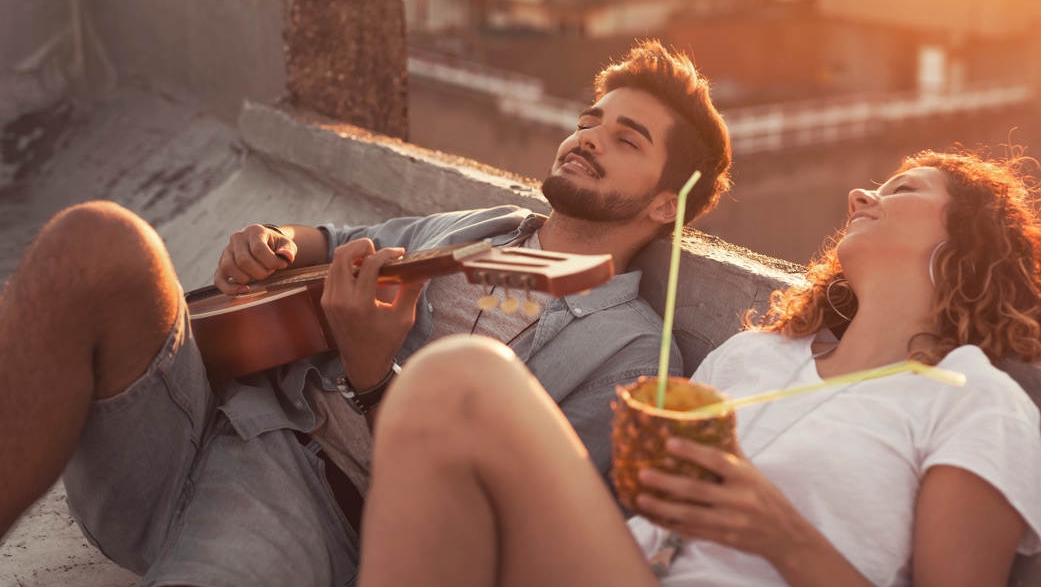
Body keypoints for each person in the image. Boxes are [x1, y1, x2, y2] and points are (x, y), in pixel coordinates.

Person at [0, 40, 732, 586]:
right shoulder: (488, 228)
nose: (589, 137)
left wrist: (375, 374)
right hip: (215, 414)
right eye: (590, 120)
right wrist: (275, 244)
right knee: (98, 239)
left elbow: (509, 536)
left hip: (319, 505)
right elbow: (345, 242)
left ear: (667, 203)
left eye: (625, 139)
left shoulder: (632, 359)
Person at [355, 149, 1041, 586]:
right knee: (451, 382)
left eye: (903, 191)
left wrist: (779, 534)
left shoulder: (972, 401)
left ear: (966, 245)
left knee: (465, 380)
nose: (864, 196)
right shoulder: (757, 353)